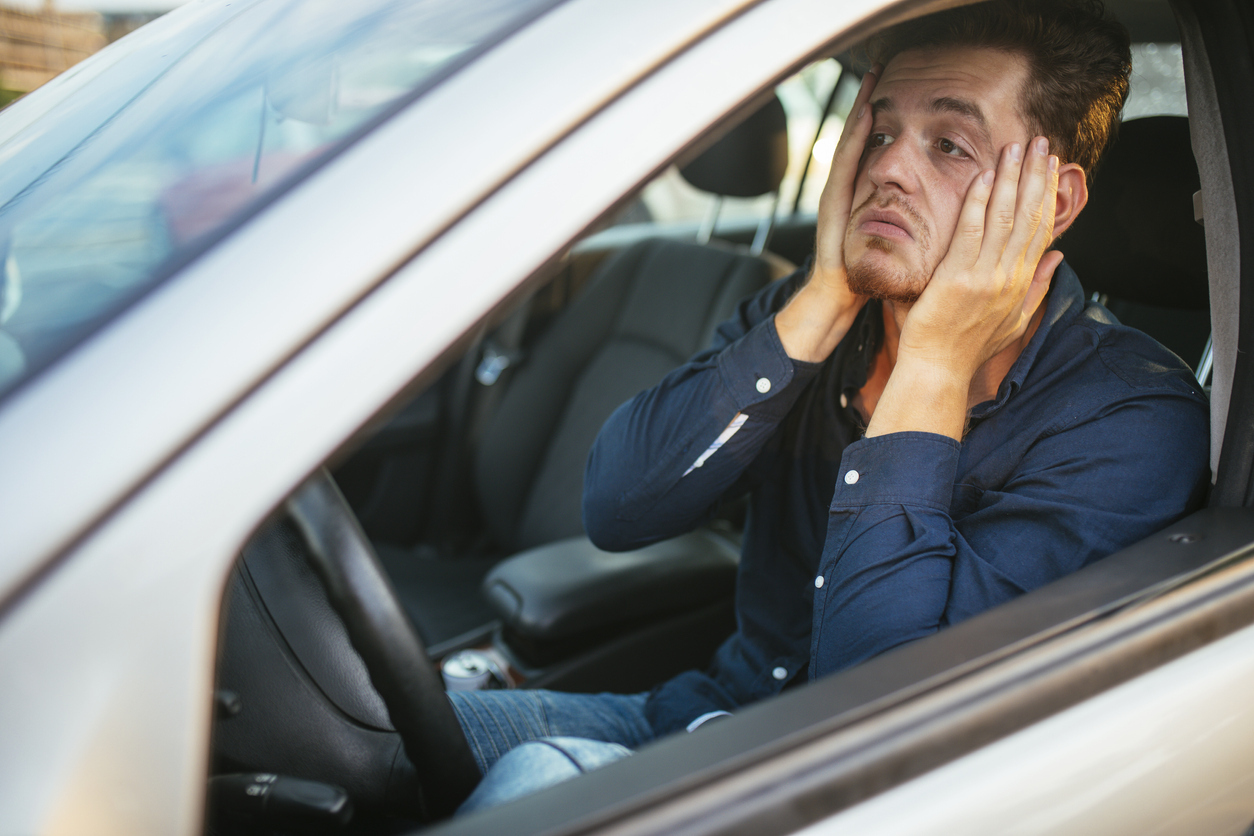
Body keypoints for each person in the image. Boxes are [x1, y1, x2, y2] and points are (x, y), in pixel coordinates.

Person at [448, 0, 1210, 813]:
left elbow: (881, 710)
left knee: (533, 790)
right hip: (699, 717)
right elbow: (616, 507)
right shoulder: (818, 315)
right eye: (880, 134)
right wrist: (821, 295)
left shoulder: (1133, 420)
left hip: (840, 793)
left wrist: (935, 361)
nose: (888, 169)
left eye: (949, 145)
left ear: (1051, 205)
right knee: (356, 733)